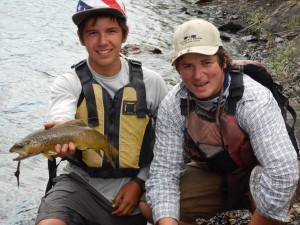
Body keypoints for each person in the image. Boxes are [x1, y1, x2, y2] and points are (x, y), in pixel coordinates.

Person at [142, 19, 300, 225]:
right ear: (178, 69)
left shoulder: (253, 99)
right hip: (215, 175)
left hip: (259, 173)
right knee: (149, 205)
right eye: (188, 66)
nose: (198, 75)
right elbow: (164, 173)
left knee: (290, 173)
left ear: (223, 61)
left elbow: (282, 171)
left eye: (207, 62)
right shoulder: (172, 106)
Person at [35, 0, 168, 225]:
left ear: (124, 35)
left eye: (111, 31)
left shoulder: (152, 82)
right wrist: (60, 131)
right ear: (81, 38)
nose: (103, 41)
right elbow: (60, 115)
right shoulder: (69, 83)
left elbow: (168, 144)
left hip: (135, 191)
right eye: (93, 33)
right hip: (80, 186)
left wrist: (139, 182)